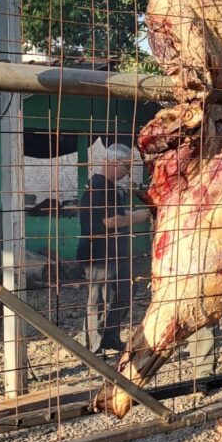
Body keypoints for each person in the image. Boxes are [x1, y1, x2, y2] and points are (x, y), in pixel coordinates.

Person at [77, 143, 150, 354]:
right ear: (116, 163)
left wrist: (133, 212)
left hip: (114, 251)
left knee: (126, 290)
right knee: (98, 298)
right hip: (98, 253)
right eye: (127, 168)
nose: (128, 173)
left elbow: (116, 212)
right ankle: (93, 347)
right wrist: (138, 217)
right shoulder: (100, 186)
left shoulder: (109, 188)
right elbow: (108, 221)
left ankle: (109, 336)